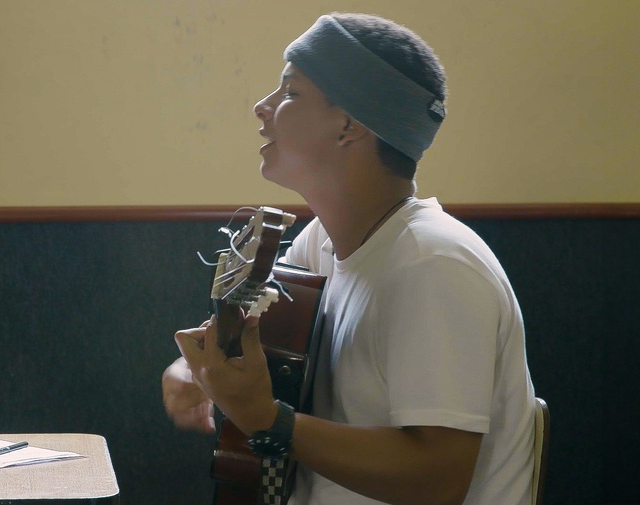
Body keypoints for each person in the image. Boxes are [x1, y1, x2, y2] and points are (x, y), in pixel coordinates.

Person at [162, 12, 536, 505]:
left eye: (290, 92)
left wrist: (267, 420)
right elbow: (263, 358)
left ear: (348, 125)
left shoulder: (435, 265)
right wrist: (199, 372)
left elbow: (439, 480)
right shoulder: (319, 244)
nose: (262, 106)